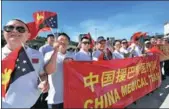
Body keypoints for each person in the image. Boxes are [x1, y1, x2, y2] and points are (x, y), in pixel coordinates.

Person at [2, 19, 48, 108]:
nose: (14, 31)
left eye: (20, 29)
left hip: (32, 105)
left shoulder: (37, 54)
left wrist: (44, 81)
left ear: (28, 35)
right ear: (4, 32)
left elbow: (42, 74)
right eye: (9, 28)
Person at [44, 32, 73, 109]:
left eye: (65, 40)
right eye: (61, 39)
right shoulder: (48, 54)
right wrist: (55, 51)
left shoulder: (73, 55)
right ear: (56, 41)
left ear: (68, 43)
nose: (63, 42)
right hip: (55, 98)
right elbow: (48, 71)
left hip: (70, 97)